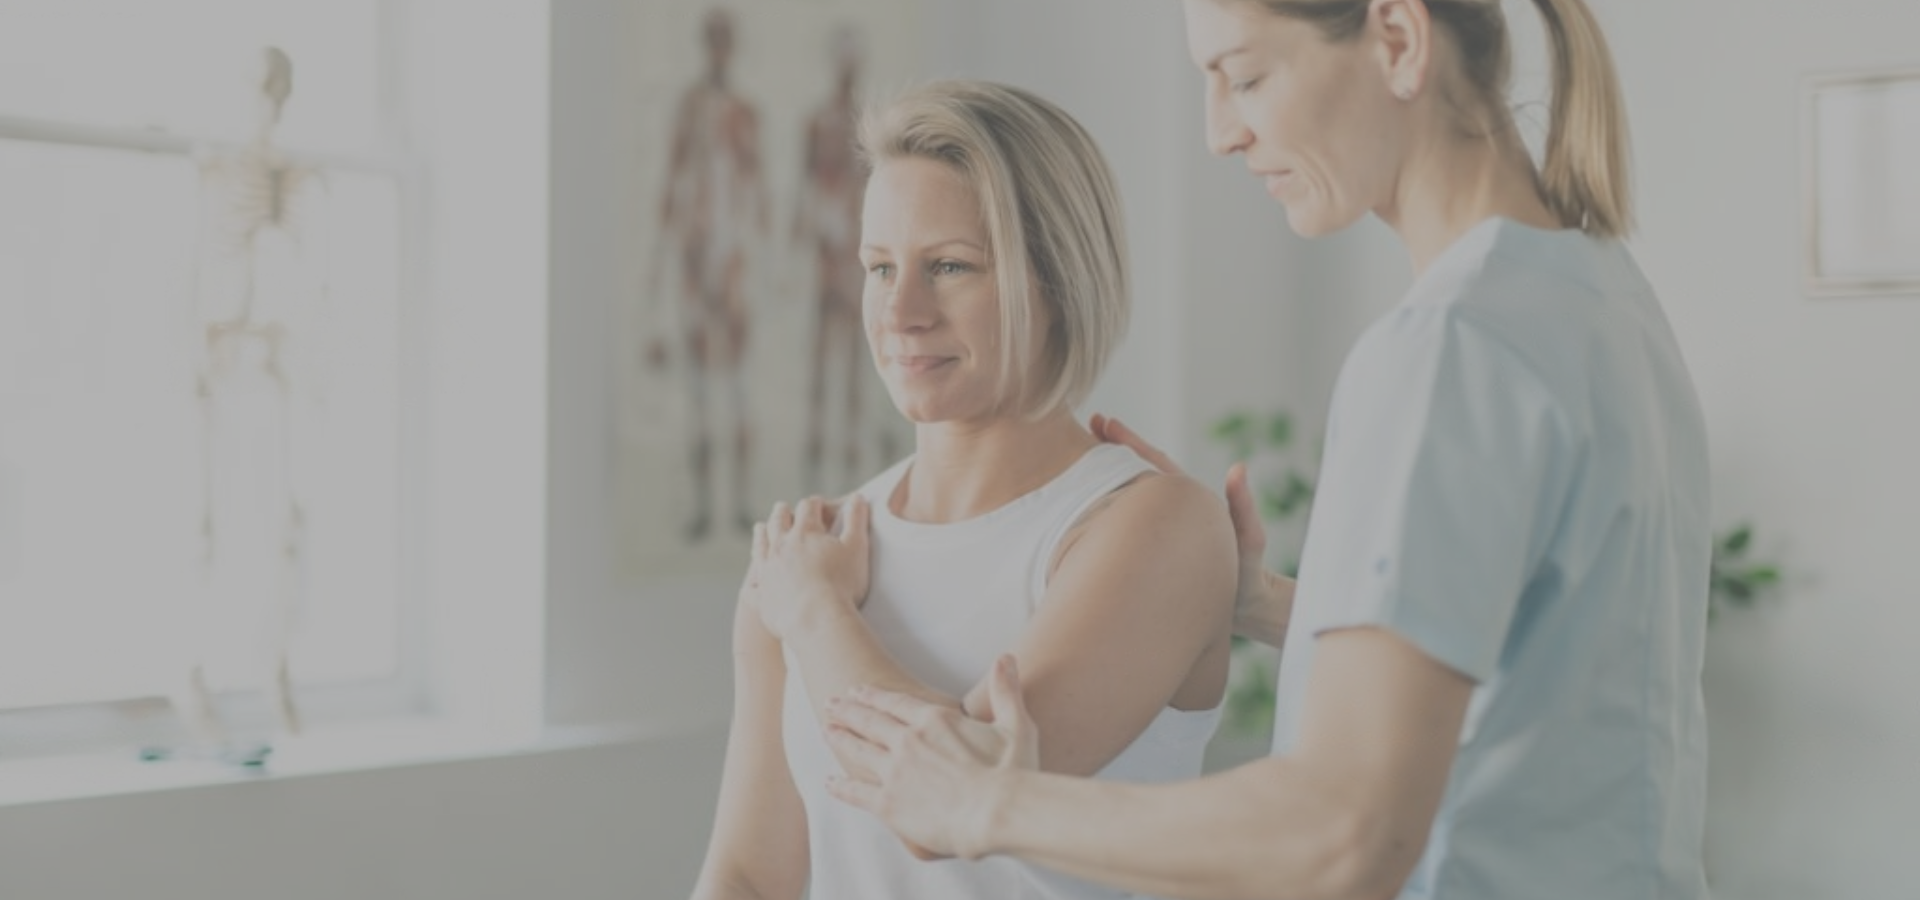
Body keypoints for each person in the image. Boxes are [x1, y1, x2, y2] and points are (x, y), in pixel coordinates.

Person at [817, 2, 1714, 899]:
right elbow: (1546, 665)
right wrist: (1279, 605)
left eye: (1245, 77)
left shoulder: (1449, 350)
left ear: (1398, 41)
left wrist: (990, 802)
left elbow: (1343, 833)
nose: (1221, 134)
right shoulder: (1600, 300)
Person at [689, 80, 1239, 900]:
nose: (900, 312)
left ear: (1057, 281)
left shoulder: (1154, 525)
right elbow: (748, 876)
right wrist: (805, 599)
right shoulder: (811, 552)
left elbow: (945, 810)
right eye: (880, 268)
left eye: (949, 267)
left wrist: (816, 615)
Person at [648, 6, 770, 541]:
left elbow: (757, 188)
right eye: (713, 39)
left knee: (739, 387)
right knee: (699, 389)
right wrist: (661, 265)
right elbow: (672, 181)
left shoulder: (744, 113)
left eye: (726, 39)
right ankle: (702, 504)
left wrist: (762, 263)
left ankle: (740, 502)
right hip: (697, 262)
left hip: (732, 263)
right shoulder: (690, 107)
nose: (720, 49)